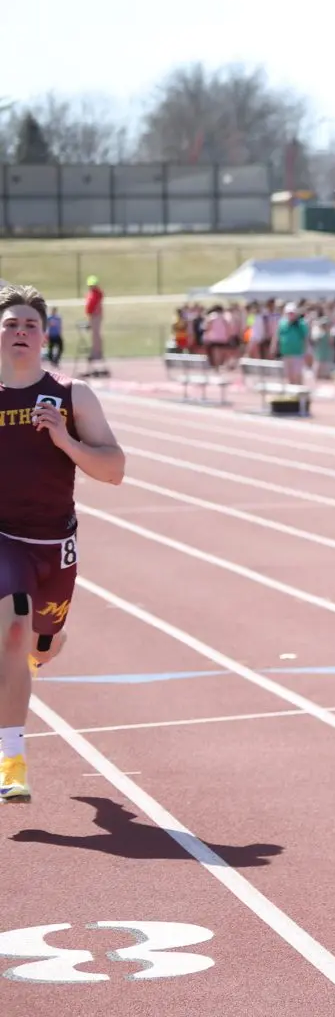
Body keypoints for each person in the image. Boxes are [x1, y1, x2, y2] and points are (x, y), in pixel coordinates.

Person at [1, 284, 127, 803]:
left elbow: (115, 471)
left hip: (55, 545)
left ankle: (42, 647)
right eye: (11, 324)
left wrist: (66, 442)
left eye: (31, 324)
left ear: (45, 333)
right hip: (3, 538)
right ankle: (12, 763)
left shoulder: (72, 394)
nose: (21, 333)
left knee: (40, 646)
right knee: (13, 625)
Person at [83, 276, 107, 378]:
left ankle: (97, 352)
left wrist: (91, 313)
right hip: (93, 315)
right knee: (94, 334)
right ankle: (95, 351)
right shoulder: (93, 294)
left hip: (95, 315)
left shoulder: (96, 294)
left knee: (96, 334)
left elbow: (93, 305)